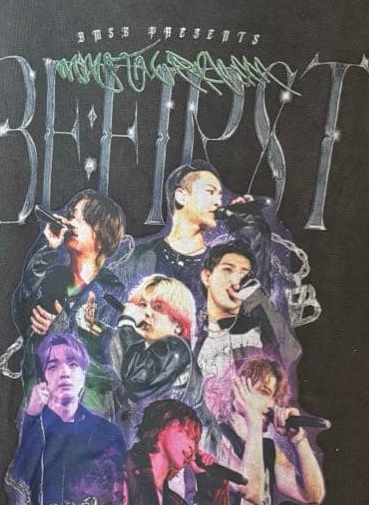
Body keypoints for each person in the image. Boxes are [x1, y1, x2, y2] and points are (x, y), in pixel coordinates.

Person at [10, 189, 126, 412]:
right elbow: (20, 307)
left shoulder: (111, 293)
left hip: (86, 414)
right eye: (71, 215)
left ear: (102, 236)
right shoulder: (53, 279)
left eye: (82, 219)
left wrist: (59, 328)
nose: (71, 222)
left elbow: (101, 357)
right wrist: (46, 247)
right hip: (41, 407)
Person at [112, 159, 271, 300]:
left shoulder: (223, 264)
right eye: (210, 192)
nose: (218, 202)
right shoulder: (138, 256)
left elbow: (257, 309)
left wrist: (255, 233)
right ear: (181, 196)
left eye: (219, 195)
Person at [10, 333, 126, 505]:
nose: (64, 372)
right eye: (53, 366)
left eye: (73, 364)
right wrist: (31, 417)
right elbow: (18, 485)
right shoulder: (33, 427)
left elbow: (120, 496)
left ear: (84, 374)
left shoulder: (108, 434)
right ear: (42, 379)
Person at [205, 356, 326, 505]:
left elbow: (313, 496)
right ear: (241, 387)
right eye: (264, 392)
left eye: (276, 399)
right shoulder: (212, 437)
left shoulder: (267, 449)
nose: (271, 405)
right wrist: (253, 418)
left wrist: (298, 438)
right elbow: (251, 491)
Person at [124, 399, 230, 505]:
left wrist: (209, 481)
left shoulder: (174, 504)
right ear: (163, 425)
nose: (193, 447)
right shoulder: (121, 468)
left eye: (196, 442)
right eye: (188, 434)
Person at [195, 239, 302, 380]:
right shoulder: (193, 330)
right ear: (207, 277)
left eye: (244, 275)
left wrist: (255, 297)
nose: (236, 282)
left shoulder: (255, 331)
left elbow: (289, 353)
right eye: (228, 270)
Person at [111, 274, 204, 424]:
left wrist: (126, 322)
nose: (146, 313)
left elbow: (136, 377)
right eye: (142, 305)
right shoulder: (143, 352)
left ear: (178, 325)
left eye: (158, 307)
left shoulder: (177, 348)